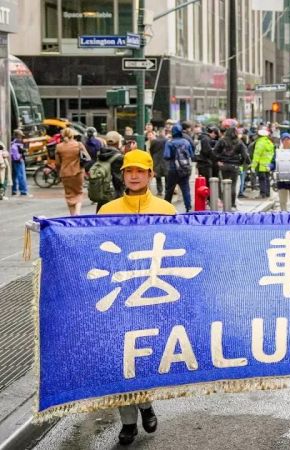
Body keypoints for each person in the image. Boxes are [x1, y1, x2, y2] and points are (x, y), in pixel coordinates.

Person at [97, 150, 172, 444]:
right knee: (121, 360)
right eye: (129, 171)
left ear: (151, 175)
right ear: (123, 175)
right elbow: (96, 251)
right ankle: (128, 421)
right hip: (119, 298)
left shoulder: (166, 210)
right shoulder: (107, 210)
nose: (134, 175)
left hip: (155, 298)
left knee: (144, 359)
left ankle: (146, 403)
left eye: (140, 171)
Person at [213, 126, 250, 210]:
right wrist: (241, 162)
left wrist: (218, 161)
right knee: (233, 185)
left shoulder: (222, 140)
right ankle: (233, 204)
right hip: (235, 166)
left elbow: (215, 152)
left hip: (224, 165)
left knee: (225, 184)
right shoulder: (239, 142)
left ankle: (225, 202)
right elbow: (245, 155)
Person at [163, 124, 195, 212]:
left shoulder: (169, 142)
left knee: (169, 190)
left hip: (173, 168)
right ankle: (188, 208)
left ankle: (166, 208)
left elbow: (166, 156)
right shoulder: (186, 142)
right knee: (185, 189)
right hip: (185, 168)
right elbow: (192, 155)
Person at [55, 127, 86, 216]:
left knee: (69, 194)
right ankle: (78, 211)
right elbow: (87, 157)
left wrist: (59, 171)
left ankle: (72, 215)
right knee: (79, 192)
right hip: (78, 172)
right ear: (72, 135)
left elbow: (57, 163)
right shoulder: (79, 145)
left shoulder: (59, 147)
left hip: (65, 173)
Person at [251, 127, 275, 199]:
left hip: (261, 165)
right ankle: (267, 193)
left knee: (261, 179)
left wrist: (253, 166)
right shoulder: (270, 142)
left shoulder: (260, 143)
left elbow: (256, 155)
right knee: (267, 179)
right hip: (268, 165)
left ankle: (262, 194)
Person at [9, 130, 28, 196]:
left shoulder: (12, 142)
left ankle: (14, 190)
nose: (21, 137)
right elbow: (20, 152)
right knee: (21, 176)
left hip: (13, 161)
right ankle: (23, 191)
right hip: (19, 161)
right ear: (18, 135)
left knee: (14, 176)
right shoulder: (18, 143)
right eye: (21, 135)